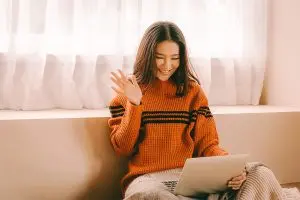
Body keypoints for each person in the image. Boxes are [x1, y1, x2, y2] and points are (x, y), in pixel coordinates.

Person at [108, 21, 284, 200]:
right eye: (159, 57)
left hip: (190, 180)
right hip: (149, 181)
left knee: (259, 173)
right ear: (147, 56)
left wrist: (233, 169)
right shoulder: (127, 95)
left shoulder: (193, 92)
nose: (167, 65)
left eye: (175, 58)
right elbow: (123, 148)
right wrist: (134, 104)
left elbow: (208, 145)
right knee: (150, 196)